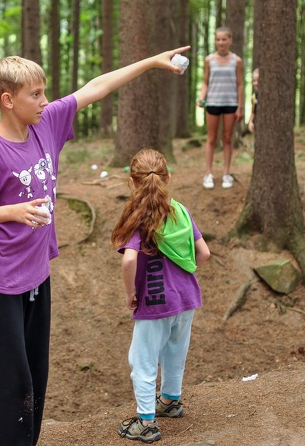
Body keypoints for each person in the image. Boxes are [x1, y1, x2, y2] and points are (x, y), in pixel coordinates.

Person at [0, 47, 189, 446]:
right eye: (36, 94)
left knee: (35, 376)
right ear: (8, 100)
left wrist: (150, 62)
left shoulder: (46, 123)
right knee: (8, 382)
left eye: (45, 92)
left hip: (36, 276)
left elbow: (96, 88)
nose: (45, 100)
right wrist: (12, 211)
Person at [110, 148, 210, 443]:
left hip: (155, 302)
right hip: (186, 298)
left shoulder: (137, 218)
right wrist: (181, 277)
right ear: (168, 177)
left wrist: (131, 293)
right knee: (175, 351)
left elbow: (129, 260)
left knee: (142, 360)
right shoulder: (180, 211)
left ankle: (146, 422)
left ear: (133, 181)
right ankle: (170, 401)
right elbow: (204, 253)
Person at [197, 27, 244, 189]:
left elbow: (240, 85)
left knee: (227, 138)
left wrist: (240, 107)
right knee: (211, 138)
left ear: (230, 40)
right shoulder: (209, 60)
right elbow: (205, 82)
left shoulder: (237, 61)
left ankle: (226, 173)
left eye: (224, 39)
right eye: (218, 39)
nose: (221, 42)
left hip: (231, 103)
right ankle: (208, 173)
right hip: (213, 102)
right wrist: (201, 97)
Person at [247, 67, 259, 135]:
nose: (256, 83)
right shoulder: (254, 97)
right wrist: (251, 122)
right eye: (254, 81)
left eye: (258, 80)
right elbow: (253, 111)